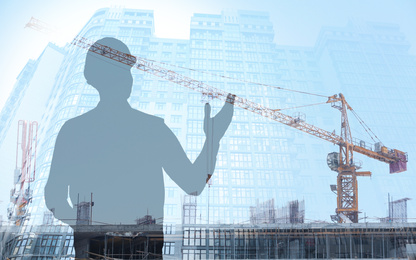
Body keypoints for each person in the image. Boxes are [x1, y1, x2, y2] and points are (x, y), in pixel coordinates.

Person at [44, 37, 234, 258]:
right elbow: (54, 196)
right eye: (118, 70)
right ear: (96, 78)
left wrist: (213, 139)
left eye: (126, 70)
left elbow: (193, 184)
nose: (126, 77)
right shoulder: (75, 131)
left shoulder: (150, 128)